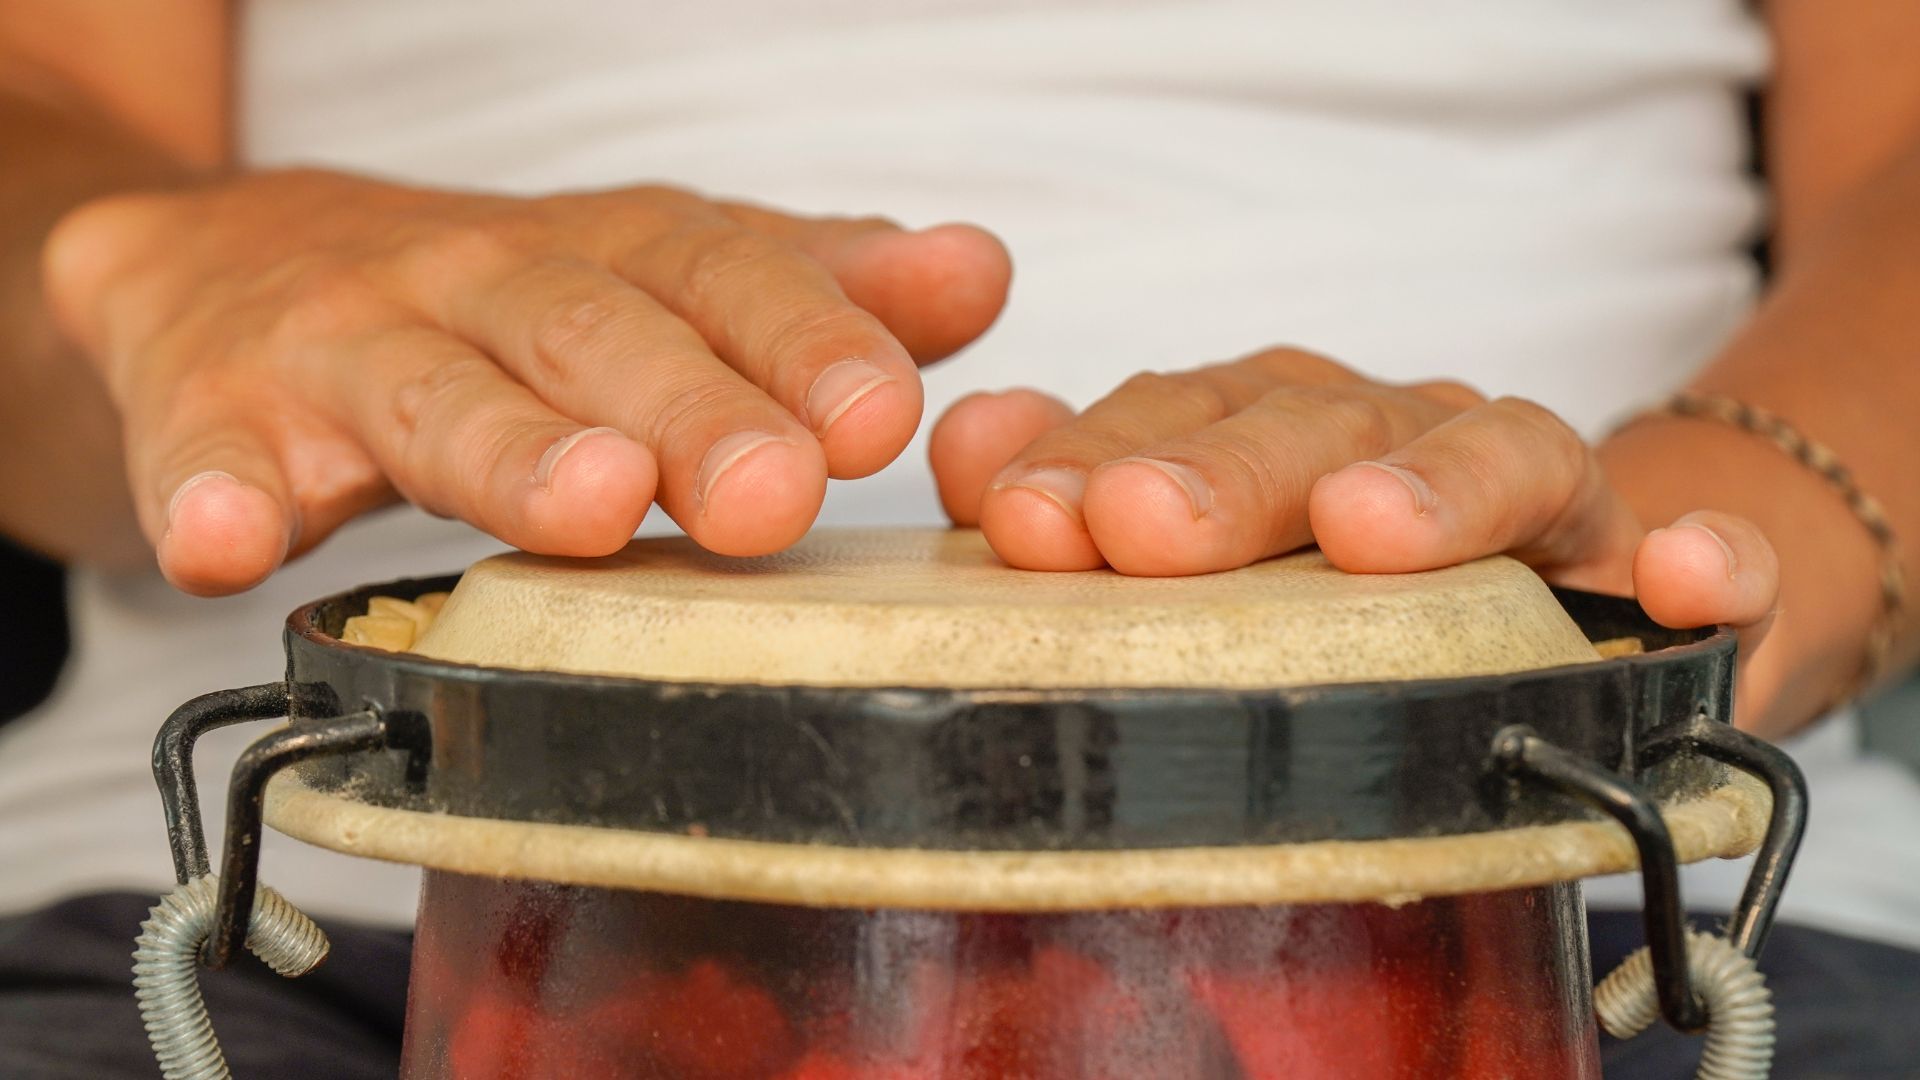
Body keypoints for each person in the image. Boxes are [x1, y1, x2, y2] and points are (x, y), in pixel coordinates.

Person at [1, 0, 1917, 1075]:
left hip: (1616, 913)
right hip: (320, 917)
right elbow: (48, 121)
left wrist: (1678, 566)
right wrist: (147, 274)